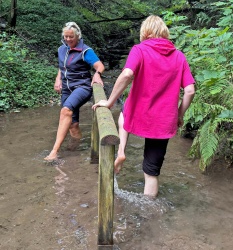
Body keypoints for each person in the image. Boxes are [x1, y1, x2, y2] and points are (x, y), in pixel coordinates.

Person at [92, 15, 195, 197]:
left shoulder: (139, 50)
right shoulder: (179, 56)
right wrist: (179, 115)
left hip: (139, 113)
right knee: (151, 171)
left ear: (145, 33)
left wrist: (109, 102)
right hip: (164, 120)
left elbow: (126, 75)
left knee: (124, 114)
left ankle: (121, 151)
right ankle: (150, 216)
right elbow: (189, 91)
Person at [45, 22, 104, 161]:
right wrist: (58, 79)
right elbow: (62, 66)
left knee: (66, 111)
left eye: (71, 36)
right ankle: (75, 149)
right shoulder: (62, 49)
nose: (68, 39)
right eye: (66, 36)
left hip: (82, 87)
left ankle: (54, 151)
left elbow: (99, 65)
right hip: (67, 88)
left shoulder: (85, 51)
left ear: (78, 36)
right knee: (72, 124)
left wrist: (97, 74)